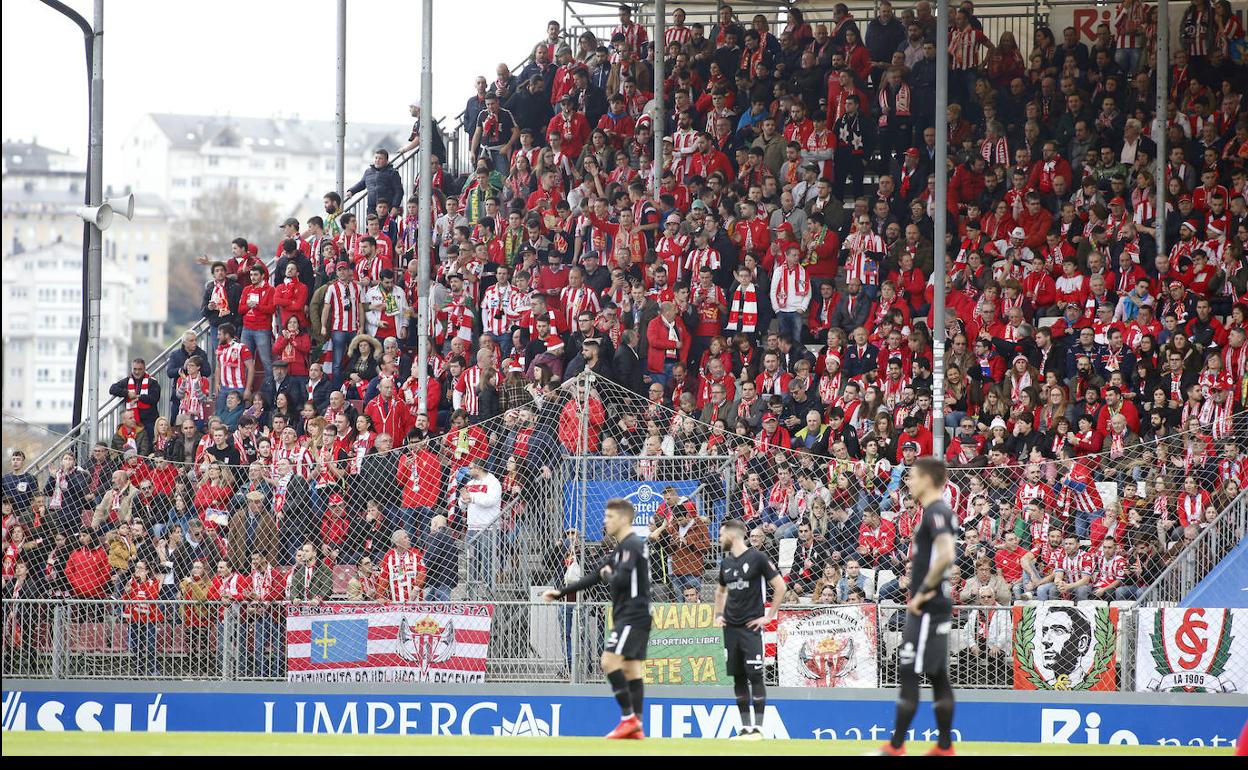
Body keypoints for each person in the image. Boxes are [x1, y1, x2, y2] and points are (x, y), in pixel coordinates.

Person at [543, 498, 650, 740]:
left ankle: (628, 720)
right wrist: (561, 592)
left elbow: (618, 580)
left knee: (608, 662)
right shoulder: (623, 547)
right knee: (632, 669)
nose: (605, 521)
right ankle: (636, 724)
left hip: (633, 614)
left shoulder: (632, 545)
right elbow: (595, 576)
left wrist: (608, 574)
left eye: (609, 517)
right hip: (633, 614)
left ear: (623, 519)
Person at [878, 457, 956, 756]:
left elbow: (947, 554)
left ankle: (895, 746)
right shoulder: (936, 512)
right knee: (937, 675)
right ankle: (944, 747)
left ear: (927, 479)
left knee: (908, 669)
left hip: (928, 608)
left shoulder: (937, 511)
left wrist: (922, 593)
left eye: (911, 476)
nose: (907, 481)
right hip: (937, 607)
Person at [713, 519, 786, 740]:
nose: (718, 538)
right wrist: (718, 614)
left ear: (733, 536)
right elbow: (719, 592)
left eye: (721, 534)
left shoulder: (757, 558)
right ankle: (746, 728)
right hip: (731, 629)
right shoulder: (726, 563)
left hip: (751, 627)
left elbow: (780, 586)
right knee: (738, 678)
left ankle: (759, 729)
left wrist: (769, 616)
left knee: (755, 675)